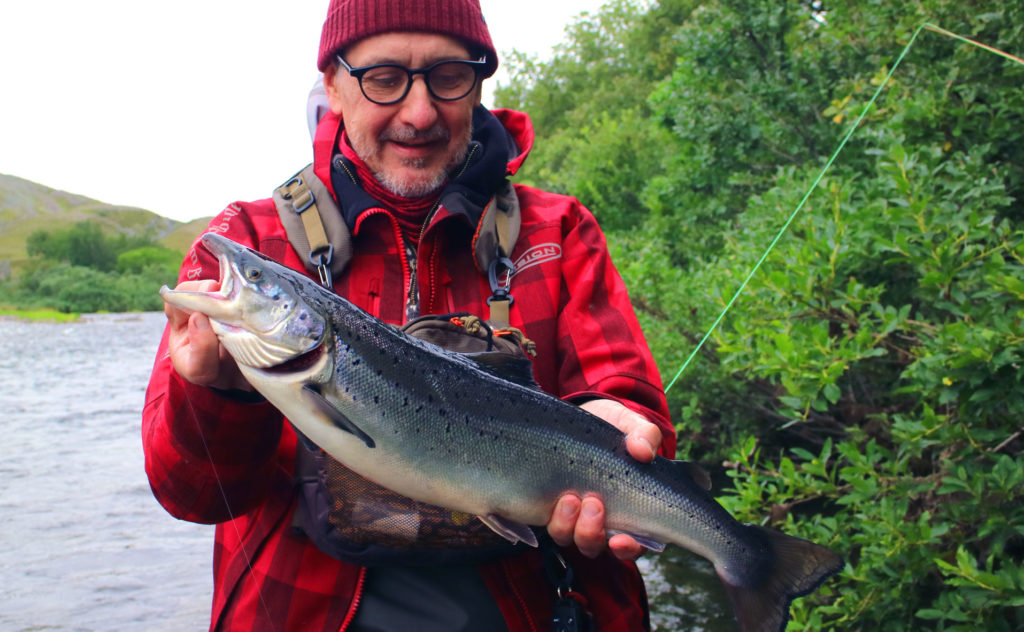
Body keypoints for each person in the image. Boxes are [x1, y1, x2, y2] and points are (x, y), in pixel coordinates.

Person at [142, 0, 677, 629]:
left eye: (448, 76)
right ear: (334, 86)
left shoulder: (557, 231)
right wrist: (215, 395)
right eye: (385, 78)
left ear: (478, 83)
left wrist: (631, 425)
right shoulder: (249, 240)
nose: (419, 113)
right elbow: (194, 496)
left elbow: (627, 397)